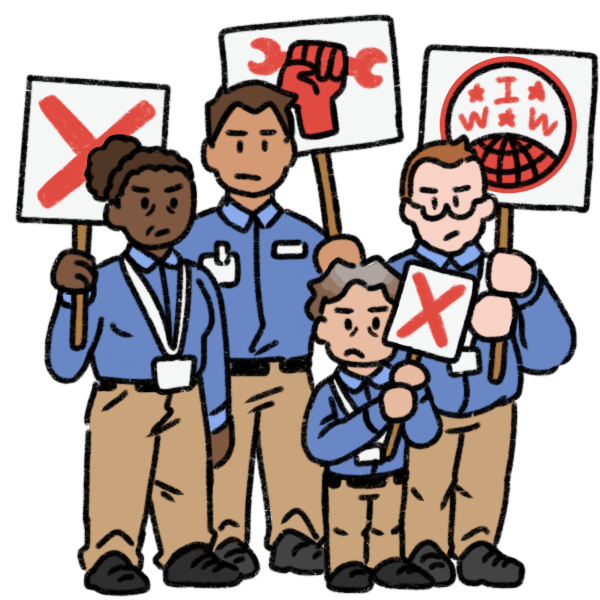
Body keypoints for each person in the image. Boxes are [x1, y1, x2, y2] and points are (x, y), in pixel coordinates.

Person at [320, 136, 573, 583]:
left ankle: (477, 544)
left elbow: (551, 354)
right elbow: (364, 340)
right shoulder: (393, 277)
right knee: (424, 483)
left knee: (483, 482)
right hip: (427, 406)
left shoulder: (504, 274)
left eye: (461, 201)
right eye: (432, 203)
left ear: (485, 206)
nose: (448, 216)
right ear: (410, 210)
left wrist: (528, 296)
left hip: (494, 404)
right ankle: (425, 545)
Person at [175, 80, 359, 575]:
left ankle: (297, 534)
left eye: (266, 141)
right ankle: (226, 536)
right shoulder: (192, 237)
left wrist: (345, 269)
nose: (250, 155)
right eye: (236, 141)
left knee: (297, 456)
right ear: (211, 155)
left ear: (288, 153)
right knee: (222, 462)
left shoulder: (308, 237)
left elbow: (340, 311)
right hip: (222, 375)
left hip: (291, 372)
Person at [50, 135, 239, 590]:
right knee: (118, 481)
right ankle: (111, 553)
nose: (161, 216)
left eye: (175, 203)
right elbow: (65, 363)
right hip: (123, 399)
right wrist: (69, 301)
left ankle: (188, 548)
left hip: (188, 398)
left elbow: (214, 354)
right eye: (144, 204)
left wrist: (218, 417)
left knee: (188, 482)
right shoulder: (101, 282)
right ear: (114, 213)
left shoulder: (201, 281)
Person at [304, 260, 442, 588]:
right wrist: (379, 413)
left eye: (377, 322)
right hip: (345, 482)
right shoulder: (329, 393)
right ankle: (347, 563)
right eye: (347, 321)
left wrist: (418, 395)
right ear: (323, 328)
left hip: (391, 478)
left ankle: (388, 559)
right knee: (345, 530)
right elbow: (320, 445)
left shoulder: (401, 383)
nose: (362, 335)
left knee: (388, 529)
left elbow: (425, 435)